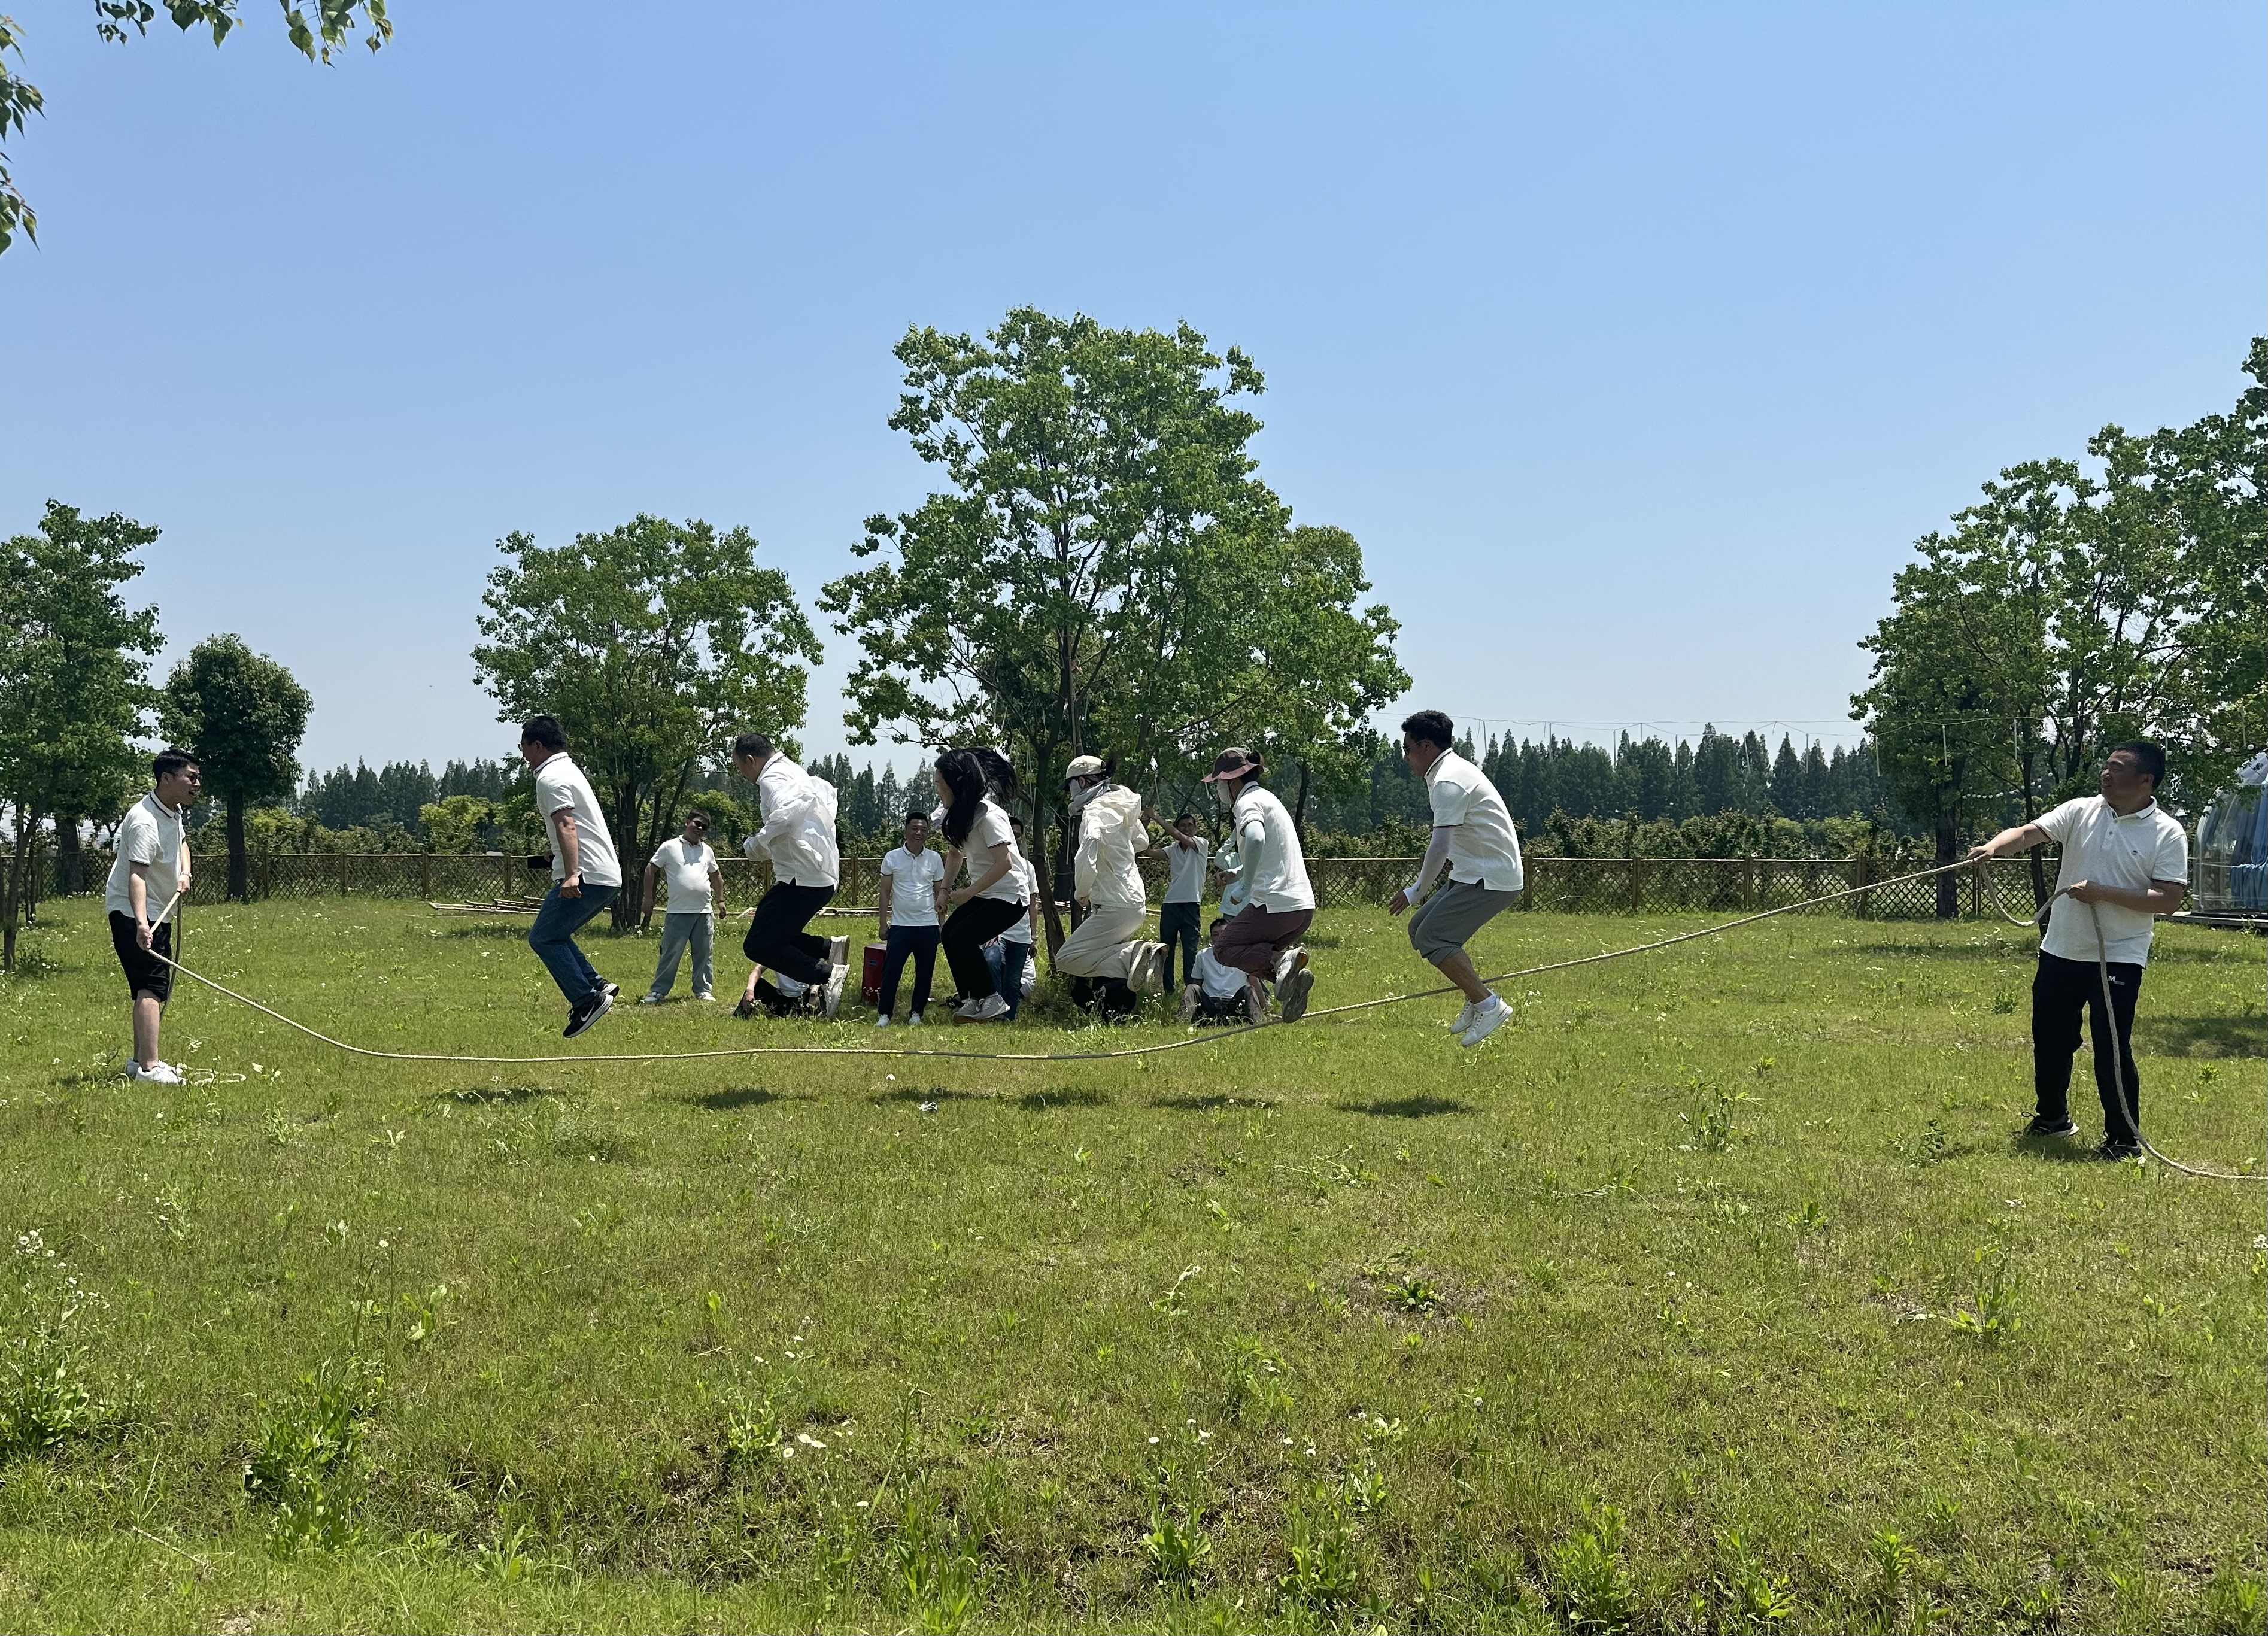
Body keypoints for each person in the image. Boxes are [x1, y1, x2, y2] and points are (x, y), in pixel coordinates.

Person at [1967, 741, 2188, 1160]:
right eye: (2105, 767)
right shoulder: (2079, 810)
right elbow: (2030, 832)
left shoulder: (2166, 832)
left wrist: (2103, 893)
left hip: (2119, 954)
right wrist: (1994, 847)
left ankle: (2123, 1140)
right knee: (2050, 1039)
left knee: (2111, 1045)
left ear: (2146, 779)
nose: (2106, 774)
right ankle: (2052, 1119)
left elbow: (2167, 898)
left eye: (2117, 768)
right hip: (2061, 948)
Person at [1387, 709, 1523, 1046]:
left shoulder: (1448, 781)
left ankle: (1488, 1005)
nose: (1405, 758)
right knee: (1419, 928)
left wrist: (1415, 891)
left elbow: (1440, 846)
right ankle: (1475, 995)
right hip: (1473, 872)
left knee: (1434, 936)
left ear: (1426, 746)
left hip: (1492, 877)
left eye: (1407, 749)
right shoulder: (1447, 773)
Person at [518, 715, 624, 1038]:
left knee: (544, 937)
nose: (522, 753)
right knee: (557, 934)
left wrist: (572, 874)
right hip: (605, 875)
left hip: (586, 875)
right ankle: (597, 984)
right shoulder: (570, 771)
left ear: (537, 745)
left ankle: (586, 1001)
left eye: (523, 746)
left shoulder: (549, 777)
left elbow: (567, 825)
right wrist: (553, 855)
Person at [733, 731, 848, 1019]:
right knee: (776, 933)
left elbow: (786, 815)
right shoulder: (793, 770)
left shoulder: (772, 780)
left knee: (758, 944)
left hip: (802, 878)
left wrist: (755, 845)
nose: (742, 775)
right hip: (814, 876)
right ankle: (828, 947)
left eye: (740, 768)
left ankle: (827, 975)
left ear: (750, 760)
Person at [106, 746, 201, 1084]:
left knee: (148, 985)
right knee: (151, 986)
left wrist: (185, 873)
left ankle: (137, 1062)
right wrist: (142, 924)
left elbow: (182, 842)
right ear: (166, 778)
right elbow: (136, 876)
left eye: (197, 777)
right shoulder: (144, 821)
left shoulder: (173, 811)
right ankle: (150, 1067)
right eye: (191, 777)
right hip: (136, 913)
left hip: (156, 910)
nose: (197, 784)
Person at [1203, 746, 1317, 1024]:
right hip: (1302, 909)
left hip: (1274, 905)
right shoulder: (1269, 799)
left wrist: (1244, 888)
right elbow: (1270, 852)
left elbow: (1255, 839)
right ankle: (1293, 982)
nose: (1218, 788)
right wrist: (1239, 874)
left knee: (1224, 949)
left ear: (1232, 781)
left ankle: (1283, 962)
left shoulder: (1247, 802)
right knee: (1253, 954)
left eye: (1218, 782)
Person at [1051, 755, 1170, 1018]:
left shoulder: (1094, 812)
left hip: (1114, 905)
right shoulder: (1122, 804)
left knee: (1067, 958)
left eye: (1071, 785)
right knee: (1097, 953)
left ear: (1081, 781)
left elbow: (1090, 843)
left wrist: (1081, 891)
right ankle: (1132, 960)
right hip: (1135, 902)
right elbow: (1141, 841)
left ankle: (1133, 954)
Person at [932, 746, 1028, 1022]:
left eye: (939, 784)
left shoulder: (990, 816)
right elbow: (954, 854)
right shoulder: (959, 815)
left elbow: (1004, 863)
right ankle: (972, 1000)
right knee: (950, 933)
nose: (937, 789)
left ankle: (993, 1000)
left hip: (1011, 897)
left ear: (955, 784)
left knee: (964, 937)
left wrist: (969, 892)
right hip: (987, 894)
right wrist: (945, 891)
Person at [637, 809, 722, 1004]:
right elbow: (651, 869)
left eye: (704, 827)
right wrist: (647, 898)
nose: (700, 829)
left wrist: (721, 901)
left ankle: (703, 991)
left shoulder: (707, 851)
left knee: (704, 954)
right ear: (687, 822)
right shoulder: (669, 847)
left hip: (703, 912)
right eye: (697, 824)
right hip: (678, 912)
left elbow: (716, 875)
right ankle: (658, 991)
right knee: (671, 953)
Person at [875, 808, 947, 1027]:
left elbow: (940, 894)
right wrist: (882, 923)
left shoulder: (934, 859)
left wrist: (942, 924)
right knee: (891, 971)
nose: (919, 833)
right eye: (914, 828)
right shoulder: (892, 857)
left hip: (927, 925)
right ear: (905, 831)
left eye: (924, 829)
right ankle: (884, 1014)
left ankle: (917, 1013)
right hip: (900, 925)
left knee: (924, 973)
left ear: (928, 833)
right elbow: (885, 892)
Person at [983, 814, 1043, 1020]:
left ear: (1022, 839)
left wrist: (1033, 937)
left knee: (1013, 981)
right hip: (997, 932)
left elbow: (1032, 905)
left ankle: (1008, 1020)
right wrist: (990, 928)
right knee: (991, 960)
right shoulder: (993, 864)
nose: (1015, 839)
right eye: (1011, 834)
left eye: (1018, 835)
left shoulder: (1028, 868)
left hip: (1022, 934)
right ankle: (995, 1009)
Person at [1156, 811, 1210, 990]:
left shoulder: (1201, 844)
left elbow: (1178, 836)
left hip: (1191, 904)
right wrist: (1145, 823)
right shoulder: (1172, 849)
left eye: (1190, 825)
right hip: (1170, 904)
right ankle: (1168, 989)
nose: (1186, 829)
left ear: (1195, 829)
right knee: (1166, 949)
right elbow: (1149, 852)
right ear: (1178, 827)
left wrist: (1158, 817)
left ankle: (1192, 988)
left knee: (1190, 950)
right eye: (1183, 826)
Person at [1179, 916, 1256, 1025]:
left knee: (1249, 990)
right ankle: (1182, 1022)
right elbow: (1197, 984)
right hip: (1210, 1004)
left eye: (1224, 932)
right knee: (1192, 988)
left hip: (1235, 1004)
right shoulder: (1202, 955)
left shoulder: (1244, 955)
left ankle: (1257, 1022)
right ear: (1211, 939)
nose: (1220, 937)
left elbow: (1255, 983)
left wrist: (1265, 1010)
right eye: (1215, 934)